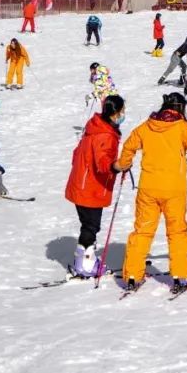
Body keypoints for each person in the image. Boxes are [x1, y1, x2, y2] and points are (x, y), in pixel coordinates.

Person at [114, 92, 187, 293]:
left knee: (143, 231)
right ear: (181, 108)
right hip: (174, 190)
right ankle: (180, 276)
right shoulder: (182, 127)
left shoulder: (146, 126)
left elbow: (129, 145)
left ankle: (132, 274)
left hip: (147, 188)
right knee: (177, 232)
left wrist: (123, 164)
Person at [64, 94, 126, 278]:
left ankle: (83, 261)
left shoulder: (94, 127)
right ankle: (86, 264)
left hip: (81, 183)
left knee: (88, 225)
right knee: (91, 226)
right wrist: (116, 166)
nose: (123, 114)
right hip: (90, 187)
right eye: (122, 111)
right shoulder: (105, 134)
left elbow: (77, 155)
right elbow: (102, 162)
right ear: (115, 113)